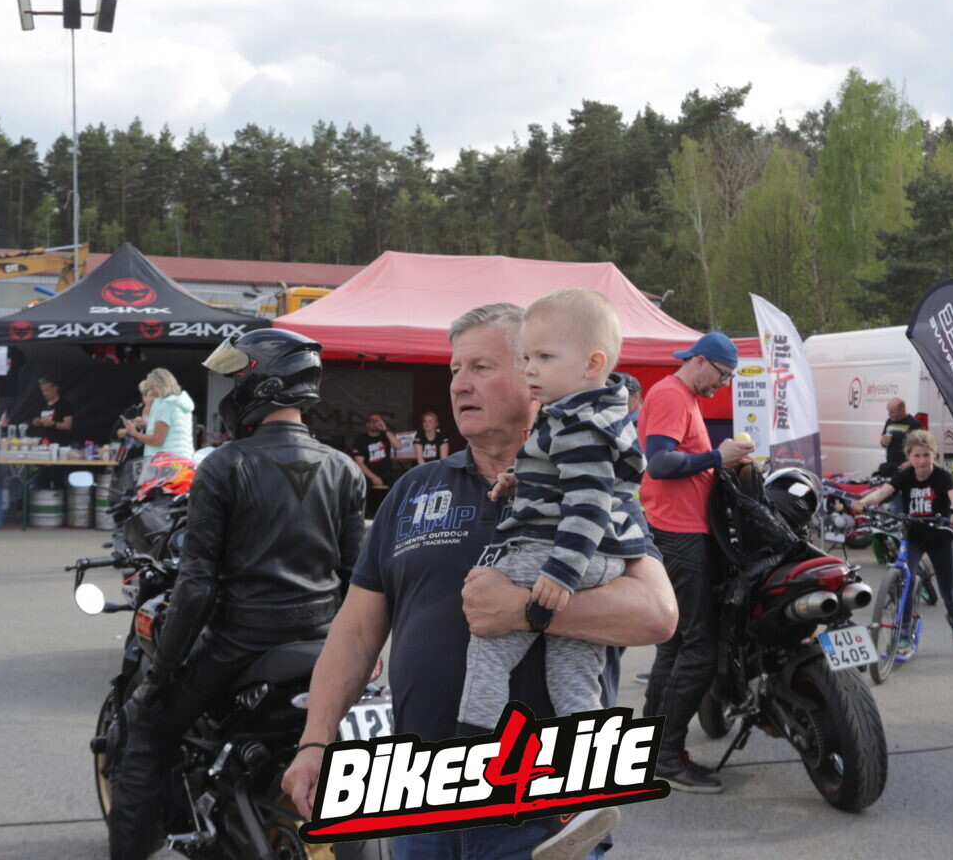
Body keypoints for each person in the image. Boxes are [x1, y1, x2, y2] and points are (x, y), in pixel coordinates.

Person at [282, 303, 677, 860]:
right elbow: (355, 631)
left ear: (533, 374)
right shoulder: (413, 491)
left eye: (481, 368)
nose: (459, 385)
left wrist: (527, 611)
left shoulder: (589, 481)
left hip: (545, 815)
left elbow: (656, 613)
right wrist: (316, 740)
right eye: (454, 370)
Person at [107, 329, 366, 860]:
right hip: (318, 642)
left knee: (146, 725)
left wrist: (162, 673)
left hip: (242, 641)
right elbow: (354, 576)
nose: (230, 390)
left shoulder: (224, 465)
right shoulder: (343, 468)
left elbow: (197, 585)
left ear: (259, 384)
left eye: (235, 378)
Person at [457, 288, 650, 758]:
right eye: (526, 358)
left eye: (544, 357)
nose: (530, 369)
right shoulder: (585, 416)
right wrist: (518, 481)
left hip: (560, 552)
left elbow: (589, 504)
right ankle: (588, 761)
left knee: (488, 638)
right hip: (601, 558)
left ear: (591, 364)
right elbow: (565, 479)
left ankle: (473, 742)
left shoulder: (579, 425)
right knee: (572, 670)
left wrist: (560, 573)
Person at [639, 332, 755, 794]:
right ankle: (667, 757)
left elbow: (679, 462)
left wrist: (720, 464)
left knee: (674, 644)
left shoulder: (679, 396)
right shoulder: (672, 394)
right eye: (723, 376)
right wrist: (716, 457)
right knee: (700, 649)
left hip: (677, 531)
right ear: (702, 362)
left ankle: (650, 750)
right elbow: (659, 463)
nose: (722, 386)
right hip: (678, 535)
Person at [852, 429, 953, 650]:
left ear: (934, 454)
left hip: (939, 537)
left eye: (926, 455)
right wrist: (864, 502)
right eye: (917, 456)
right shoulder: (905, 475)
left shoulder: (942, 476)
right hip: (913, 537)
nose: (922, 460)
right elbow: (882, 493)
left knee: (949, 594)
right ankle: (904, 630)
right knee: (906, 580)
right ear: (909, 456)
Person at [122, 368, 195, 459]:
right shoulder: (179, 403)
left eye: (151, 386)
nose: (150, 389)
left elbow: (156, 440)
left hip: (166, 461)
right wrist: (147, 425)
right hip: (182, 459)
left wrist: (135, 433)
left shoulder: (165, 405)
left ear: (158, 386)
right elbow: (172, 431)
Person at [350, 411, 401, 486]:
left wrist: (385, 429)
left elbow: (398, 446)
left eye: (378, 421)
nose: (376, 423)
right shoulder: (360, 439)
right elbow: (359, 463)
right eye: (373, 421)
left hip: (387, 473)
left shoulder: (386, 435)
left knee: (399, 482)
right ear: (367, 424)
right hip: (368, 474)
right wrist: (373, 477)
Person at [877, 398, 923, 478]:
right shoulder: (889, 421)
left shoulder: (914, 423)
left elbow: (921, 446)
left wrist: (910, 463)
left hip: (905, 465)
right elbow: (883, 441)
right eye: (888, 411)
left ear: (902, 410)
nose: (889, 414)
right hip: (891, 465)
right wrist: (883, 441)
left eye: (892, 412)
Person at [31, 376, 75, 446]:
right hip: (43, 442)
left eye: (47, 390)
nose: (45, 393)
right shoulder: (41, 404)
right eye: (43, 391)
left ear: (55, 388)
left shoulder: (64, 404)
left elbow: (68, 426)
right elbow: (35, 419)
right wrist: (36, 422)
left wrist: (53, 424)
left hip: (59, 443)